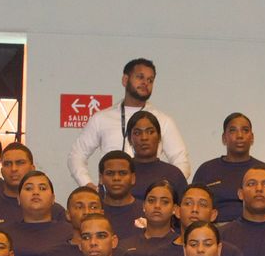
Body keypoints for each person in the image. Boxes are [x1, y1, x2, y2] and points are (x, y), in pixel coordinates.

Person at [66, 59, 189, 188]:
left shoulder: (163, 120)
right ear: (125, 80)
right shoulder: (102, 118)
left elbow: (181, 161)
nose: (145, 83)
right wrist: (88, 186)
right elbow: (76, 155)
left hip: (150, 196)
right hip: (110, 196)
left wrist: (166, 190)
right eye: (140, 77)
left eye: (150, 80)